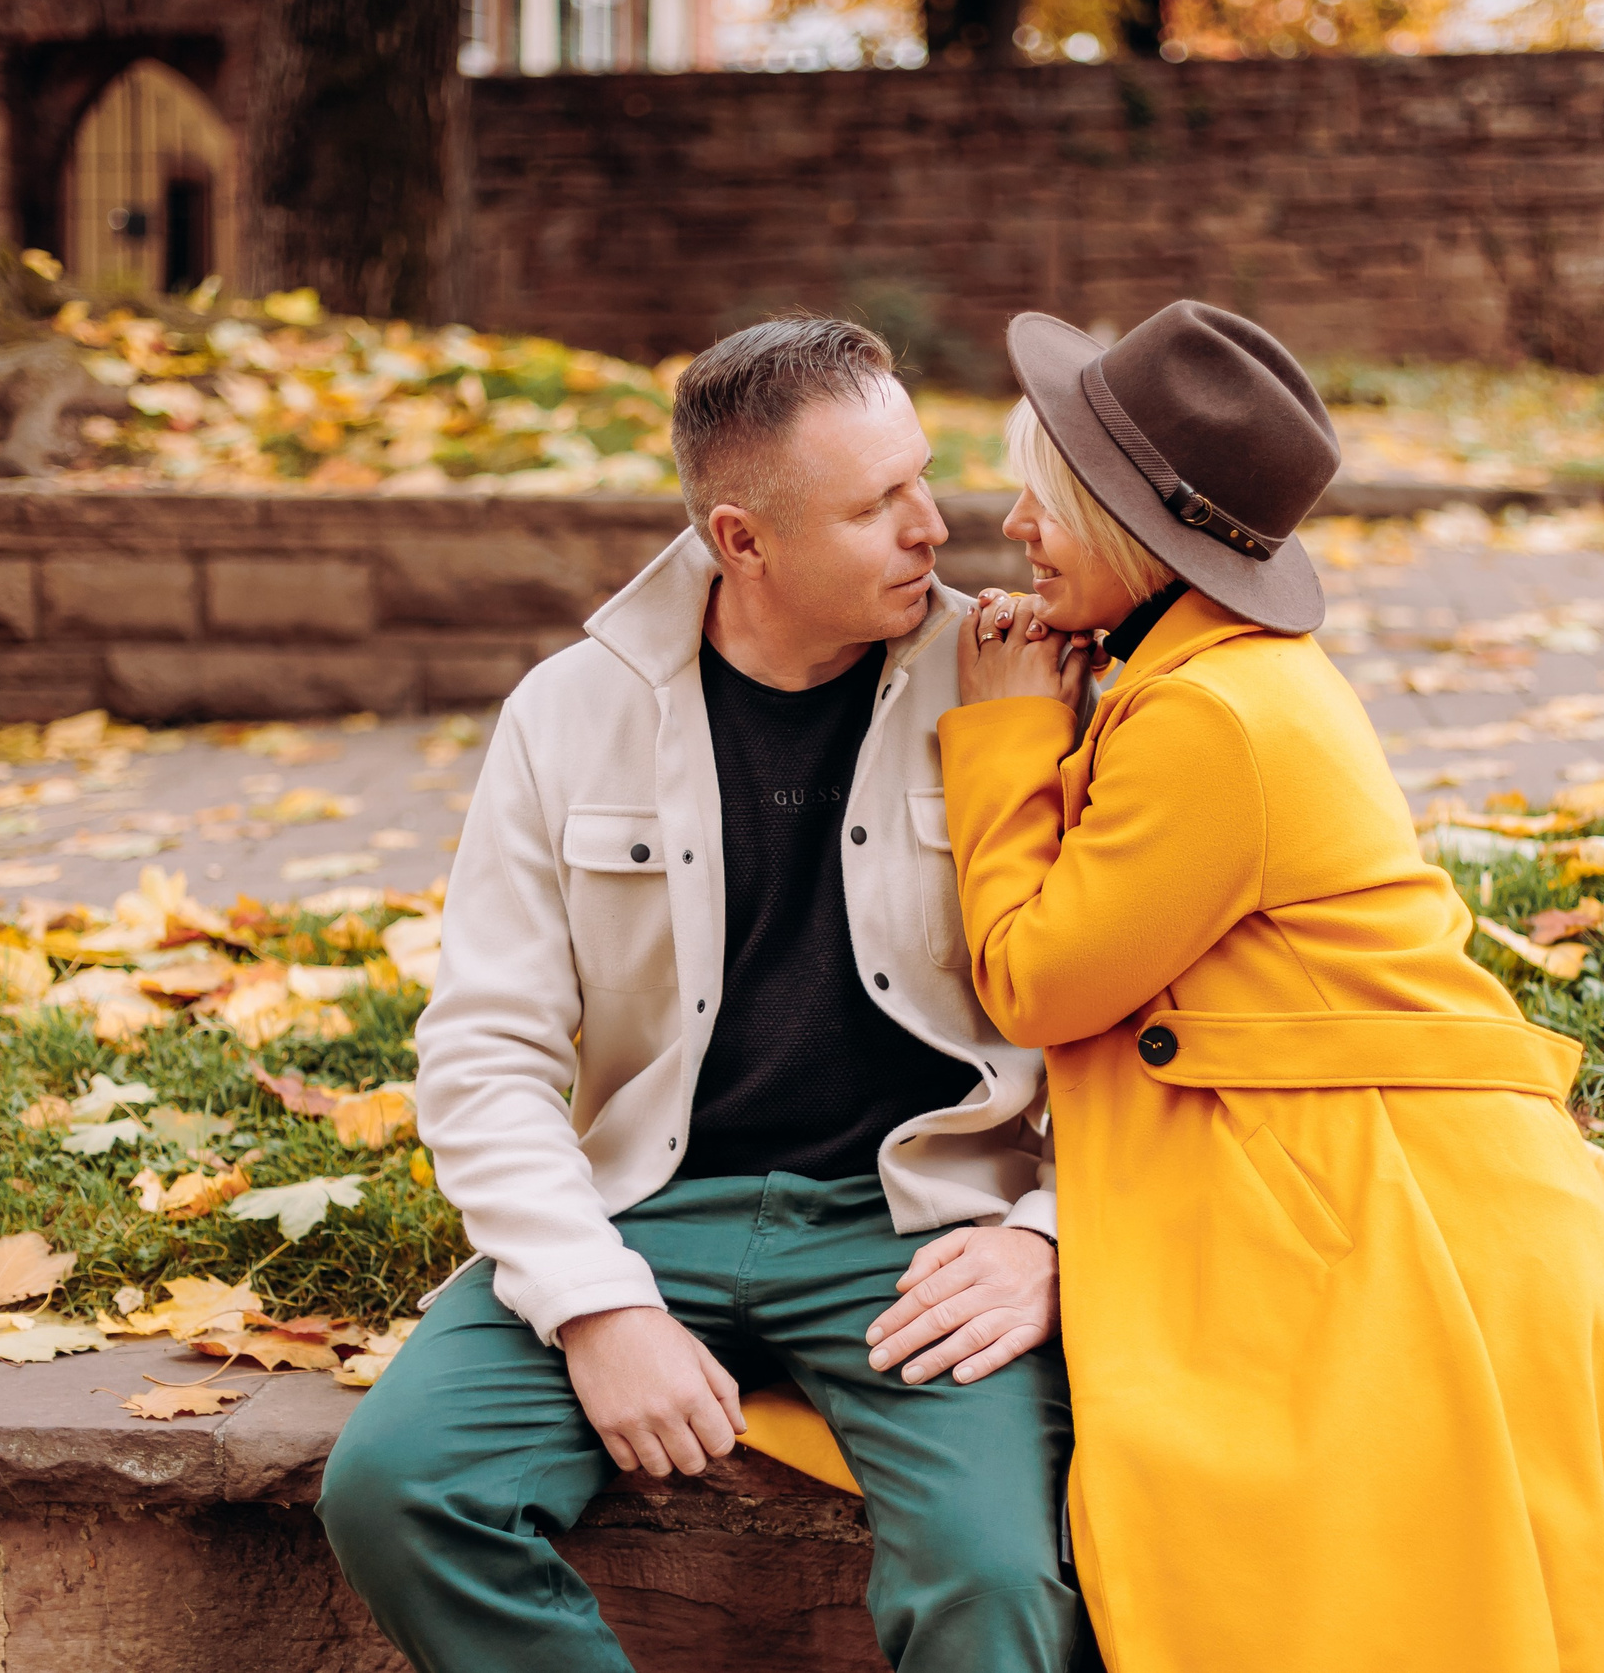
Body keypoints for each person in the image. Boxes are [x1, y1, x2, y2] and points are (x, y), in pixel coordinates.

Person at [930, 301, 1604, 1673]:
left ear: (1138, 534)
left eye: (1048, 497)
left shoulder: (1208, 715)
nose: (1013, 523)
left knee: (1246, 1493)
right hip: (1397, 1133)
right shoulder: (1204, 670)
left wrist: (1006, 731)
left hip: (1374, 1180)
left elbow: (1034, 977)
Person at [316, 317, 1083, 1673]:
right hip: (644, 1206)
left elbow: (1134, 1008)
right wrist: (600, 1308)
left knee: (998, 1579)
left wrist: (1044, 1230)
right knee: (398, 1487)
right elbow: (485, 1053)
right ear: (744, 541)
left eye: (922, 477)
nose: (933, 527)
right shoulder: (567, 714)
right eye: (875, 505)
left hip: (919, 1229)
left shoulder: (1016, 683)